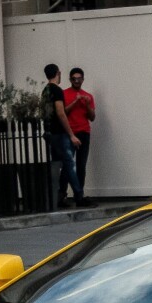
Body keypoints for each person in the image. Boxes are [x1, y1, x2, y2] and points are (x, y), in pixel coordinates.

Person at [43, 63, 83, 208]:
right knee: (69, 164)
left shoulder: (45, 91)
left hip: (50, 133)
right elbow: (61, 113)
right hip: (60, 133)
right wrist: (71, 135)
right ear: (58, 73)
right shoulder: (57, 90)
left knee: (58, 165)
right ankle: (79, 196)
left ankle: (59, 196)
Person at [63, 67, 97, 207]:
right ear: (70, 79)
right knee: (68, 165)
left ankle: (79, 195)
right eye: (74, 79)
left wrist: (87, 104)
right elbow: (63, 112)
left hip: (84, 132)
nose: (77, 81)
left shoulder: (87, 96)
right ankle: (62, 195)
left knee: (81, 165)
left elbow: (92, 117)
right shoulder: (64, 94)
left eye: (79, 79)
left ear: (83, 79)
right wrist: (75, 102)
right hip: (70, 132)